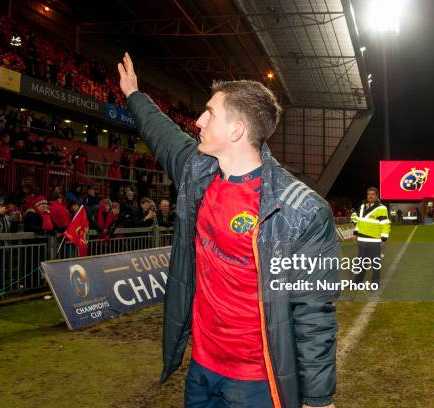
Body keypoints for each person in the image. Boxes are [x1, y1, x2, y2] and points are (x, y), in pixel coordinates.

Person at [118, 52, 339, 408]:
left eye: (210, 113)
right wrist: (134, 94)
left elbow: (313, 311)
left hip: (255, 383)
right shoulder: (199, 171)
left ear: (236, 130)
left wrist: (318, 398)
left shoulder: (303, 210)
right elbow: (163, 135)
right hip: (202, 368)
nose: (198, 120)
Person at [350, 187, 391, 286]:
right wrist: (355, 234)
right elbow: (360, 222)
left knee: (375, 264)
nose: (370, 196)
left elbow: (385, 224)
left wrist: (384, 240)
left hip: (374, 241)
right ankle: (357, 282)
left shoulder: (381, 208)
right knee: (361, 263)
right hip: (361, 240)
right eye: (369, 194)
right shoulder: (363, 206)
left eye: (373, 194)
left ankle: (375, 284)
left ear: (377, 196)